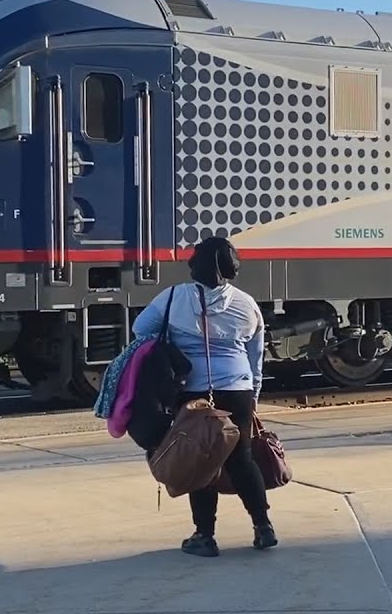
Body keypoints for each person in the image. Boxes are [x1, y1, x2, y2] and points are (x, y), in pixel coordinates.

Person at [130, 236, 275, 557]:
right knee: (241, 458)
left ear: (196, 266)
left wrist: (176, 340)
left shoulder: (173, 298)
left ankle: (204, 536)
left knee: (201, 461)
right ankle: (263, 527)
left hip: (194, 394)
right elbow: (256, 356)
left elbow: (141, 330)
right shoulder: (246, 304)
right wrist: (253, 395)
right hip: (238, 391)